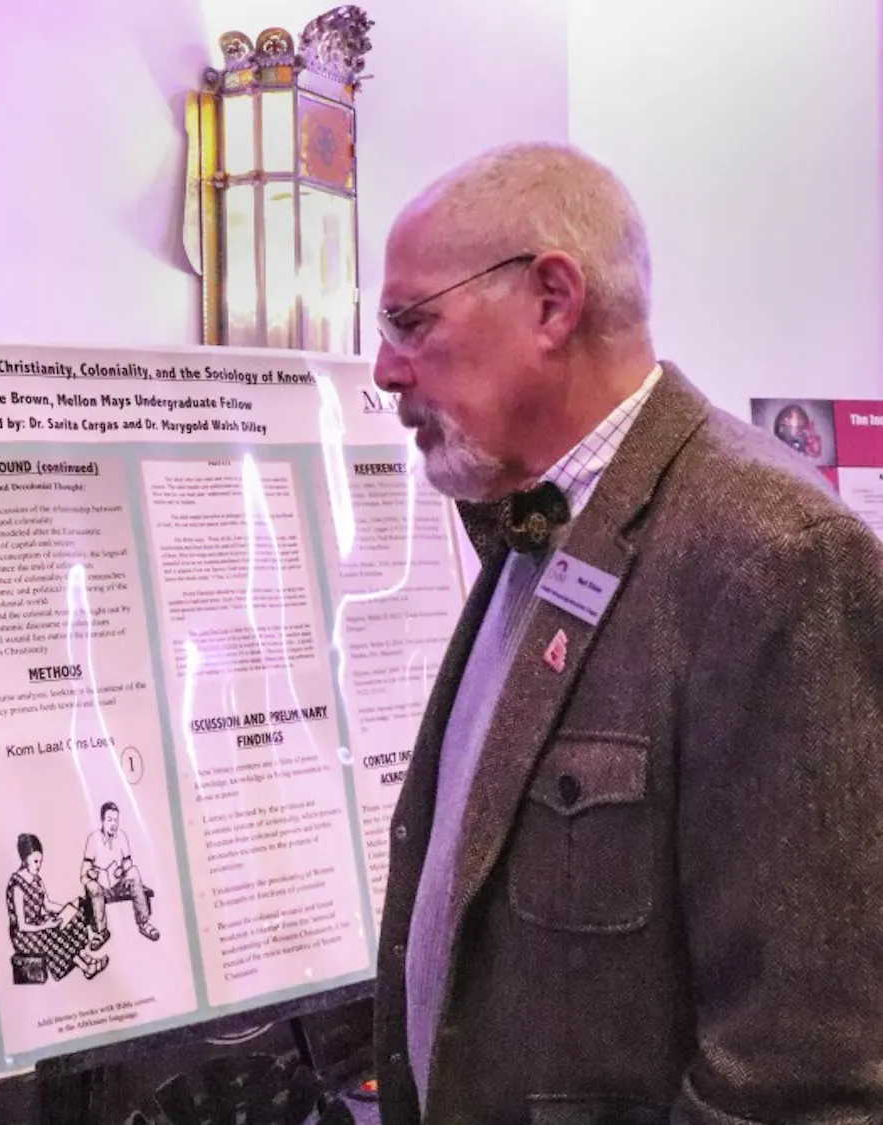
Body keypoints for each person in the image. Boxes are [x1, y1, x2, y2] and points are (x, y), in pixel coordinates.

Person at [370, 141, 883, 1124]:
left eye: (411, 322)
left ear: (552, 302)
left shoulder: (774, 560)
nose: (387, 370)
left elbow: (805, 1067)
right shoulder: (528, 524)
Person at [6, 833, 108, 981]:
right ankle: (86, 968)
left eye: (40, 861)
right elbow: (21, 926)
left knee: (68, 923)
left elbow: (47, 905)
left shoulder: (37, 880)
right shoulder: (17, 885)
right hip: (24, 936)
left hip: (38, 923)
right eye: (35, 861)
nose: (38, 865)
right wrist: (47, 925)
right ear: (24, 859)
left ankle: (88, 959)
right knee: (54, 933)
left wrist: (68, 909)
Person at [80, 801, 159, 944]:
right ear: (102, 821)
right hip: (100, 886)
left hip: (117, 883)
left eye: (116, 820)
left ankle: (143, 923)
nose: (113, 824)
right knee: (93, 887)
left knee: (134, 872)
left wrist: (122, 870)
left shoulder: (121, 836)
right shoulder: (93, 839)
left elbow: (128, 862)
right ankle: (101, 932)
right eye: (109, 820)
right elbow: (84, 872)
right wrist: (92, 873)